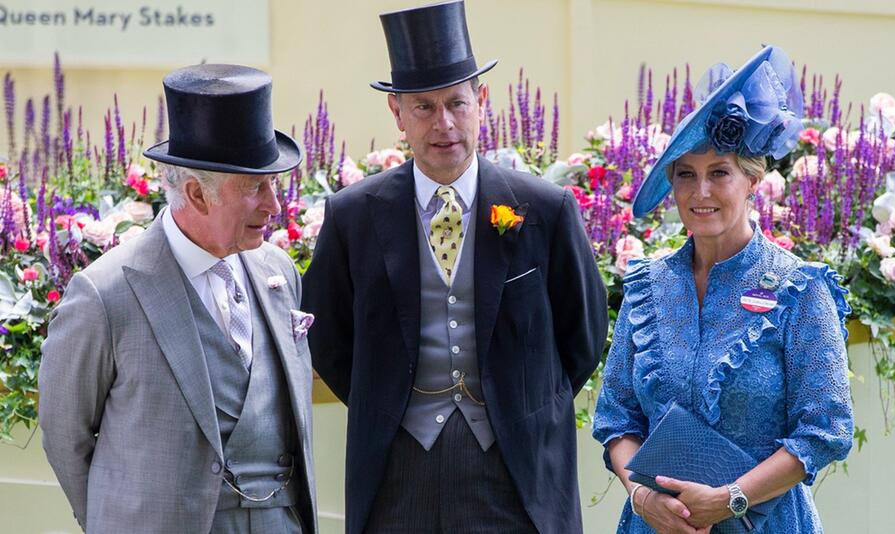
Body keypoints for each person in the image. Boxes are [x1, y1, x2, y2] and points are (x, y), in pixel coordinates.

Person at [302, 1, 607, 532]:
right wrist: (390, 403)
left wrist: (522, 408)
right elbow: (327, 338)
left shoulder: (546, 210)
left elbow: (583, 336)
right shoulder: (352, 217)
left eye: (456, 103)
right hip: (396, 475)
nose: (443, 123)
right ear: (396, 113)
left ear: (481, 101)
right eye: (423, 107)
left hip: (518, 477)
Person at [39, 64, 318, 534]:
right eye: (256, 187)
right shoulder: (104, 294)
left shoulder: (279, 272)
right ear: (196, 193)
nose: (275, 205)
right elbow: (65, 435)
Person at [592, 46, 854, 534]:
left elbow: (826, 430)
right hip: (655, 524)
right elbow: (616, 419)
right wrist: (643, 496)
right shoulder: (647, 286)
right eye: (686, 175)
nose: (701, 192)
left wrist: (730, 498)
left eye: (719, 173)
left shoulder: (799, 288)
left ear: (752, 181)